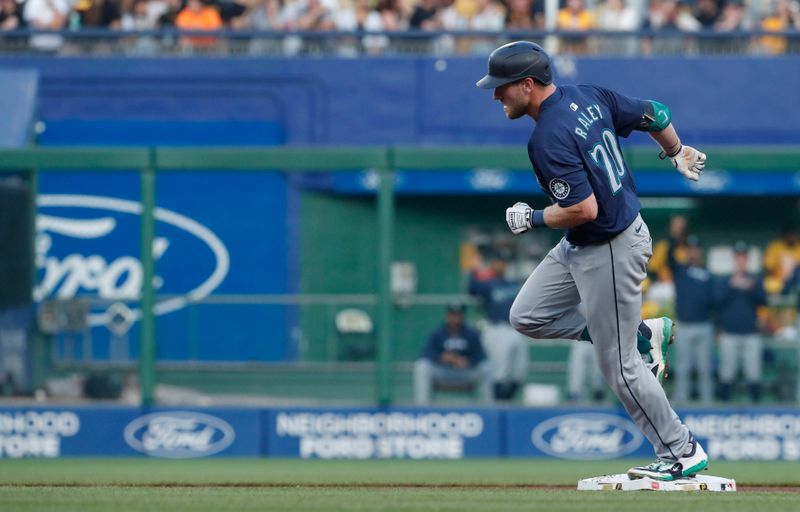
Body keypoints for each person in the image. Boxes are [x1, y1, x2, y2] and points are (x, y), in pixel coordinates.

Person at [476, 41, 707, 481]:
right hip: (585, 244)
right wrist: (676, 151)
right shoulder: (589, 94)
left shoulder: (547, 137)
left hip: (610, 246)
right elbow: (656, 113)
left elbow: (584, 209)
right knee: (526, 315)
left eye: (502, 87)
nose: (495, 95)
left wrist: (534, 217)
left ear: (527, 85)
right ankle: (639, 334)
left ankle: (682, 451)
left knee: (618, 367)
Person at [468, 250, 528, 400]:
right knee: (499, 374)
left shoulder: (513, 283)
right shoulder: (487, 284)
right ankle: (496, 407)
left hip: (517, 329)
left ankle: (506, 405)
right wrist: (475, 269)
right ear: (492, 264)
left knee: (518, 374)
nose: (501, 265)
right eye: (498, 262)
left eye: (503, 263)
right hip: (497, 329)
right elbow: (472, 290)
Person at [714, 241, 767, 402]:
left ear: (747, 259)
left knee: (754, 373)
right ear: (734, 259)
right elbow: (716, 302)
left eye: (743, 257)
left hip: (751, 333)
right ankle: (724, 412)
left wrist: (752, 288)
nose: (741, 260)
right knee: (727, 374)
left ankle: (756, 412)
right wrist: (731, 285)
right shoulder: (725, 280)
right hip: (729, 333)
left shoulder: (755, 279)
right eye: (738, 257)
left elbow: (763, 300)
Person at [413, 303, 493, 405]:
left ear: (463, 316)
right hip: (443, 372)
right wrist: (442, 357)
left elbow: (481, 356)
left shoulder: (471, 334)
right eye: (453, 315)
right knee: (422, 366)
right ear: (447, 316)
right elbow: (426, 353)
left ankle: (490, 407)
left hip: (465, 372)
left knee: (486, 368)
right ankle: (422, 408)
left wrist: (467, 361)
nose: (455, 318)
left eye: (458, 315)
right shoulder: (438, 333)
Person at [668, 234, 715, 403]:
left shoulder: (707, 273)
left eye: (695, 249)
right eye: (690, 249)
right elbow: (669, 257)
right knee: (683, 368)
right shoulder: (681, 270)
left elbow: (713, 301)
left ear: (700, 251)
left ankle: (707, 403)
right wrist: (675, 236)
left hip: (704, 325)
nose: (693, 252)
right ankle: (682, 403)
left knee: (704, 368)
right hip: (685, 326)